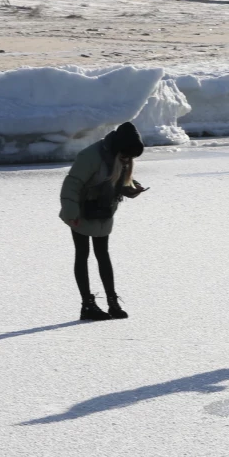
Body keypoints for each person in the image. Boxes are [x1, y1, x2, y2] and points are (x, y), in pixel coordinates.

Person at [59, 122, 147, 321]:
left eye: (131, 158)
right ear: (118, 149)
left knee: (103, 255)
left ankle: (112, 303)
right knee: (82, 254)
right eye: (125, 156)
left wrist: (131, 188)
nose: (127, 161)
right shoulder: (90, 156)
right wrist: (72, 212)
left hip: (103, 211)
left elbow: (117, 181)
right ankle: (87, 306)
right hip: (80, 212)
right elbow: (71, 184)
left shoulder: (120, 157)